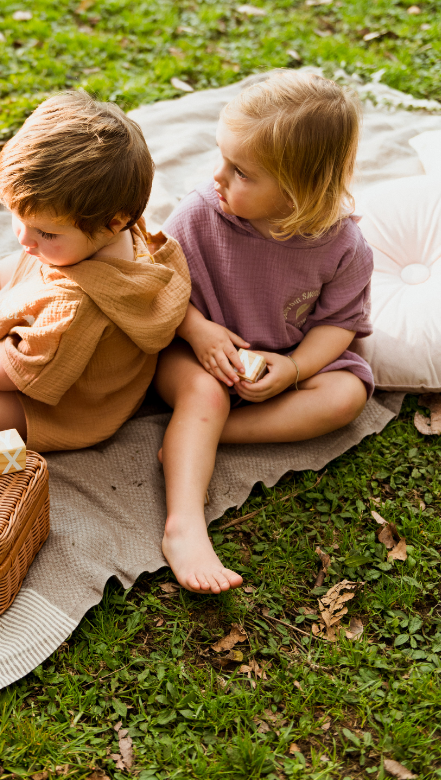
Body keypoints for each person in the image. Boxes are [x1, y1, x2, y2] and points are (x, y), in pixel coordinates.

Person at [155, 70, 374, 594]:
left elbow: (338, 324)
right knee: (203, 393)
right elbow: (157, 288)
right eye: (221, 158)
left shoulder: (344, 248)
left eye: (241, 172)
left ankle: (202, 437)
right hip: (194, 351)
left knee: (347, 395)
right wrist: (200, 331)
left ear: (299, 192)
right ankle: (183, 524)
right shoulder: (199, 213)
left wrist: (295, 368)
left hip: (285, 358)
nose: (218, 177)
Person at [0, 91, 190, 452]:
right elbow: (30, 252)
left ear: (113, 223)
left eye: (46, 232)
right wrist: (46, 241)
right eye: (18, 219)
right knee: (15, 266)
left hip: (63, 400)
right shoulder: (105, 235)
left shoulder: (75, 308)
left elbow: (19, 373)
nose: (24, 238)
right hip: (54, 343)